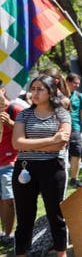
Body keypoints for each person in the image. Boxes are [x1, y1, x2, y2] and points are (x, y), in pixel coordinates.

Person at [12, 74, 71, 257]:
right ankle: (21, 253)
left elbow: (61, 144)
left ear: (51, 92)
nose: (34, 93)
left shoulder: (61, 113)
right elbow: (17, 143)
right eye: (33, 88)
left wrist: (32, 143)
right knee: (24, 216)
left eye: (40, 89)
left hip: (52, 168)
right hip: (25, 168)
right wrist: (50, 140)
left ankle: (61, 253)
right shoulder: (24, 114)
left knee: (56, 215)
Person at [0, 81, 24, 244]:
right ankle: (3, 234)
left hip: (10, 163)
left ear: (2, 90)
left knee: (9, 200)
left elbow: (27, 131)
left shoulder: (15, 109)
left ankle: (8, 235)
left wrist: (9, 122)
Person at [66, 73, 82, 188]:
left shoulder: (79, 96)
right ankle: (63, 176)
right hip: (61, 129)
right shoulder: (60, 95)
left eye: (78, 83)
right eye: (75, 83)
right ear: (67, 82)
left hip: (75, 129)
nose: (77, 85)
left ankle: (74, 179)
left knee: (77, 153)